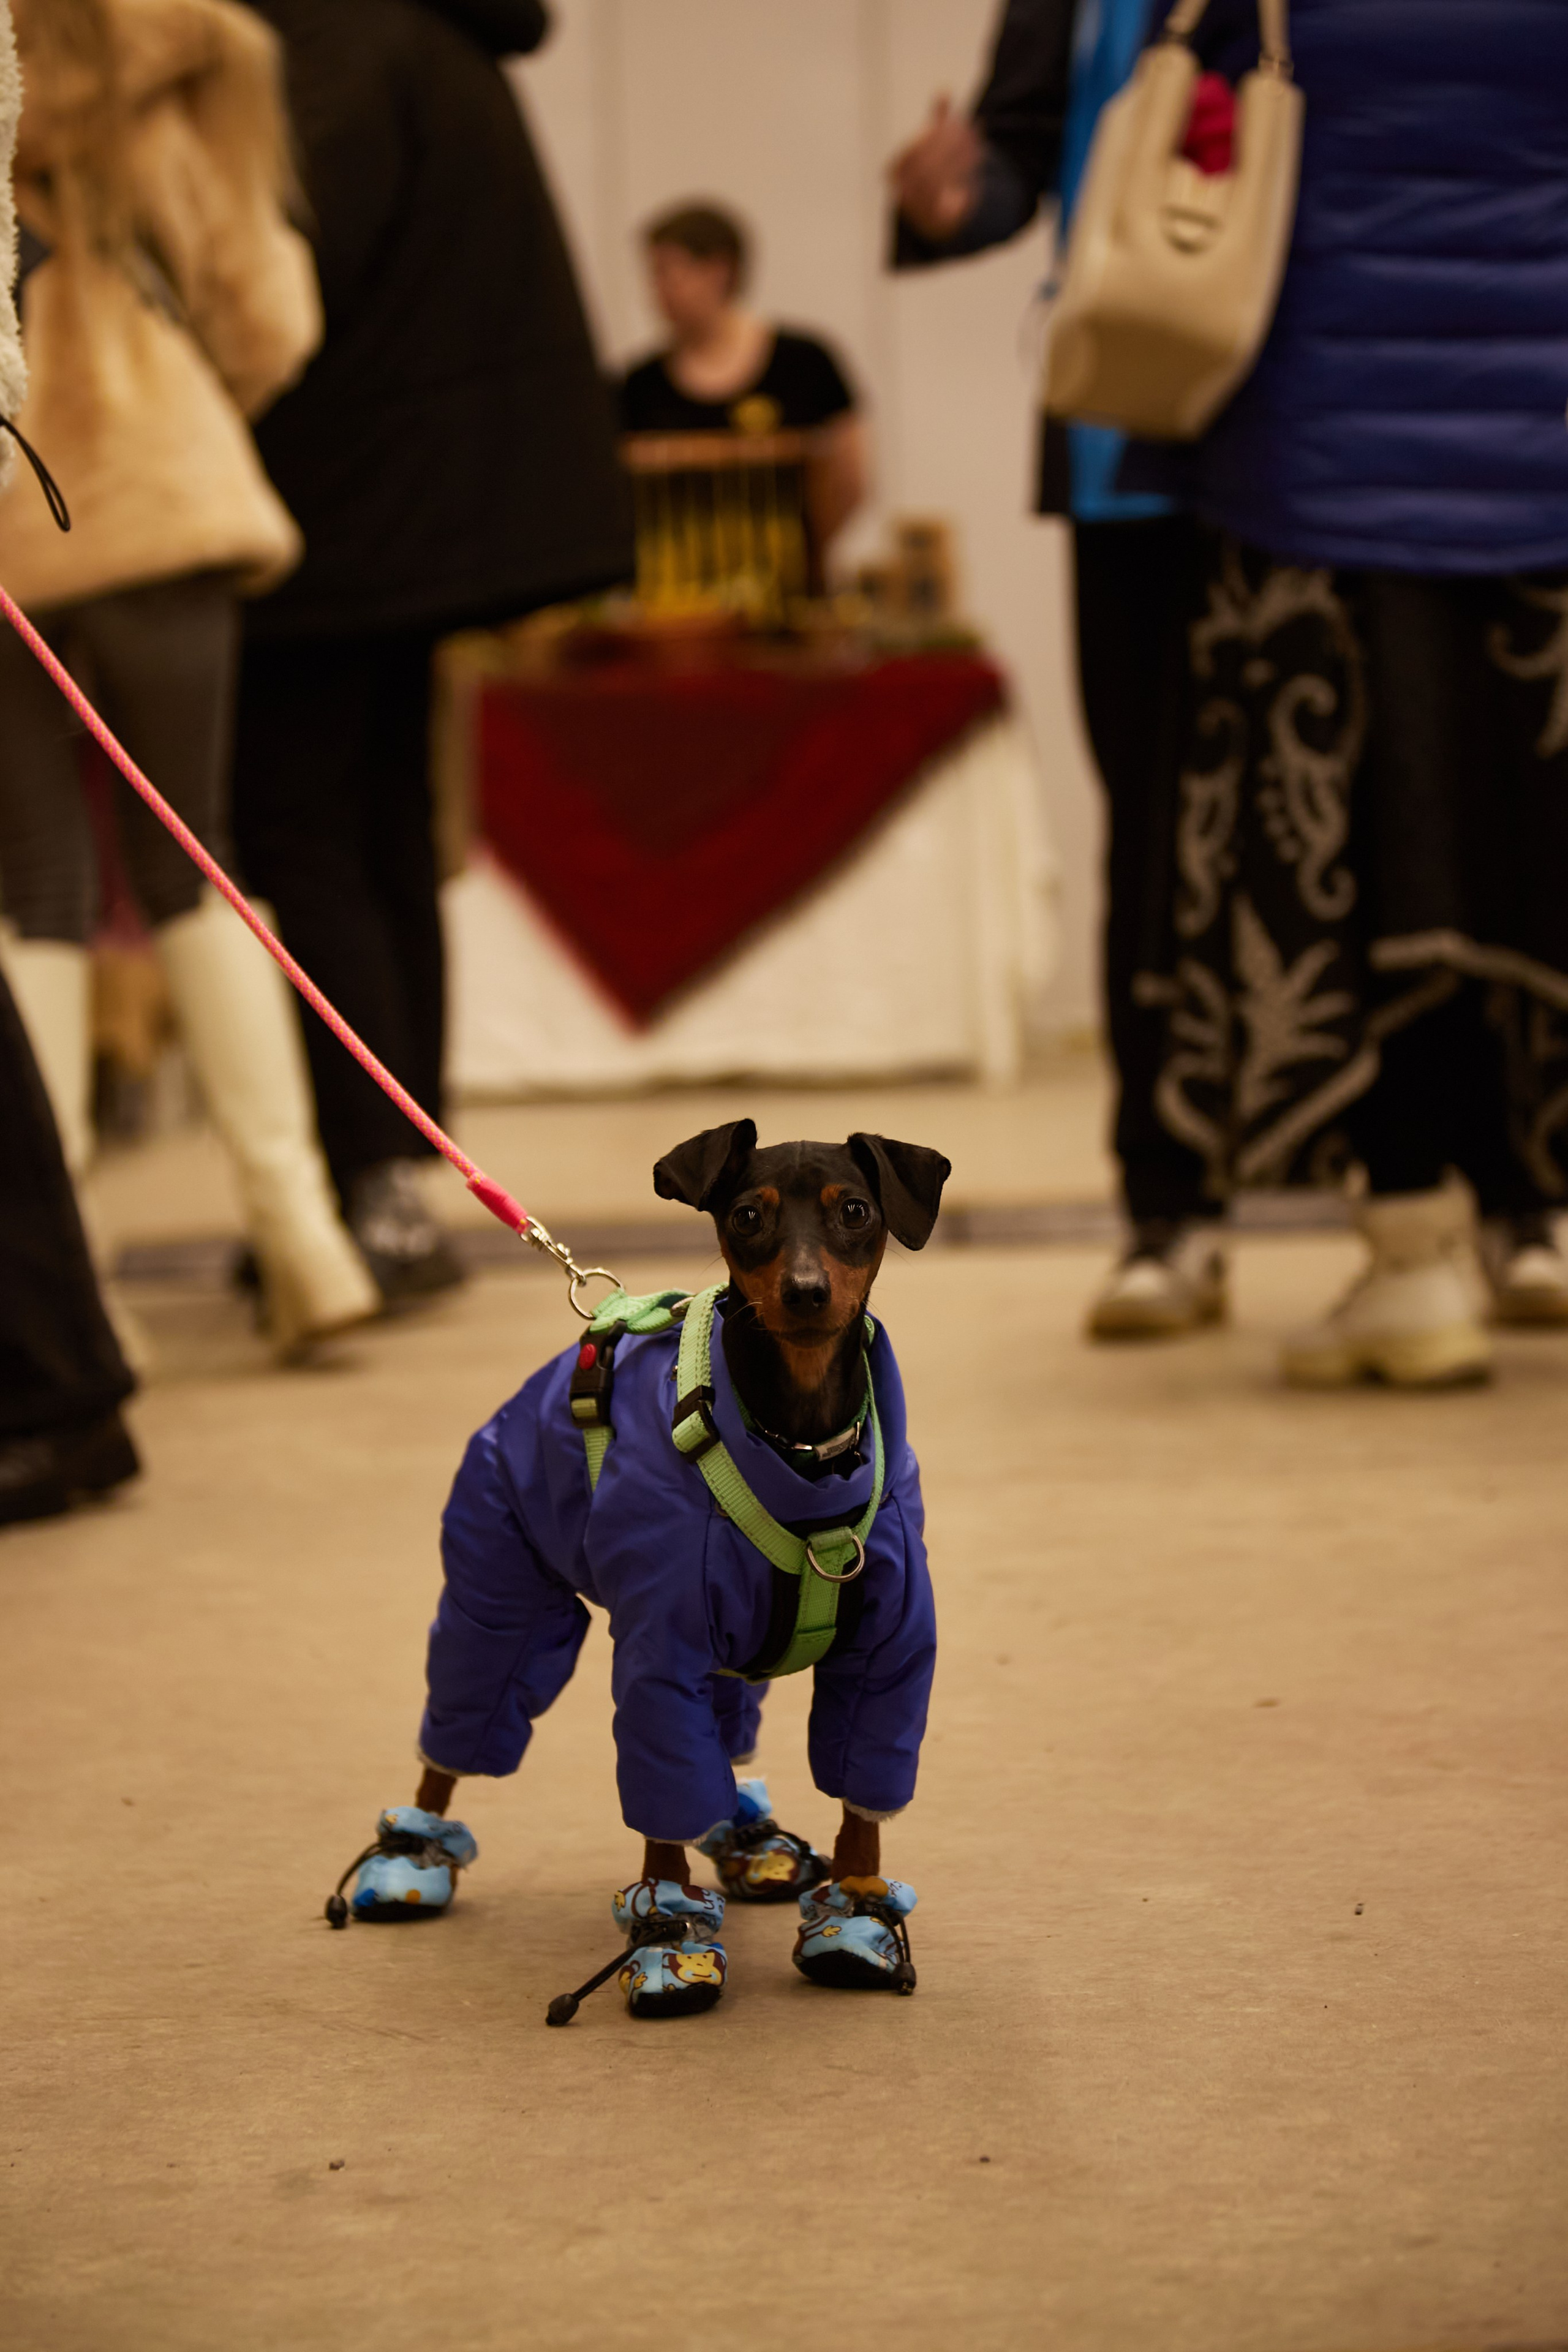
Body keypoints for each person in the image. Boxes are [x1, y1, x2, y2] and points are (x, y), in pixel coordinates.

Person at [1115, 0, 1568, 1386]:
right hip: (1543, 454)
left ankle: (1410, 1248)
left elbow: (1182, 131)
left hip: (1318, 464)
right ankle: (1509, 1222)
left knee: (1364, 869)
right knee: (1516, 851)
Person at [233, 0, 633, 1305]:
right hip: (422, 508)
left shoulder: (341, 35)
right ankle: (399, 1162)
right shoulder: (436, 28)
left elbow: (291, 257)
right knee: (386, 826)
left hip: (343, 507)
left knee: (304, 835)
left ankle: (368, 1184)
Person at [0, 0, 379, 1361]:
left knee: (33, 894)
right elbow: (273, 315)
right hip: (163, 499)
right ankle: (304, 1239)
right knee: (198, 860)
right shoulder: (179, 81)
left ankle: (64, 1286)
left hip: (9, 520)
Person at [890, 1, 1226, 1343]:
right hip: (1130, 443)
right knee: (1153, 836)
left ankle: (1463, 1194)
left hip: (1348, 429)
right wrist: (952, 199)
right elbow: (1010, 163)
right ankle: (1168, 1206)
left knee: (1387, 805)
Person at [620, 202, 866, 606]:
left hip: (786, 603)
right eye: (653, 274)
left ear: (719, 271)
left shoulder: (804, 363)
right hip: (674, 608)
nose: (656, 290)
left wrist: (804, 553)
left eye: (669, 271)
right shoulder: (637, 385)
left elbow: (851, 477)